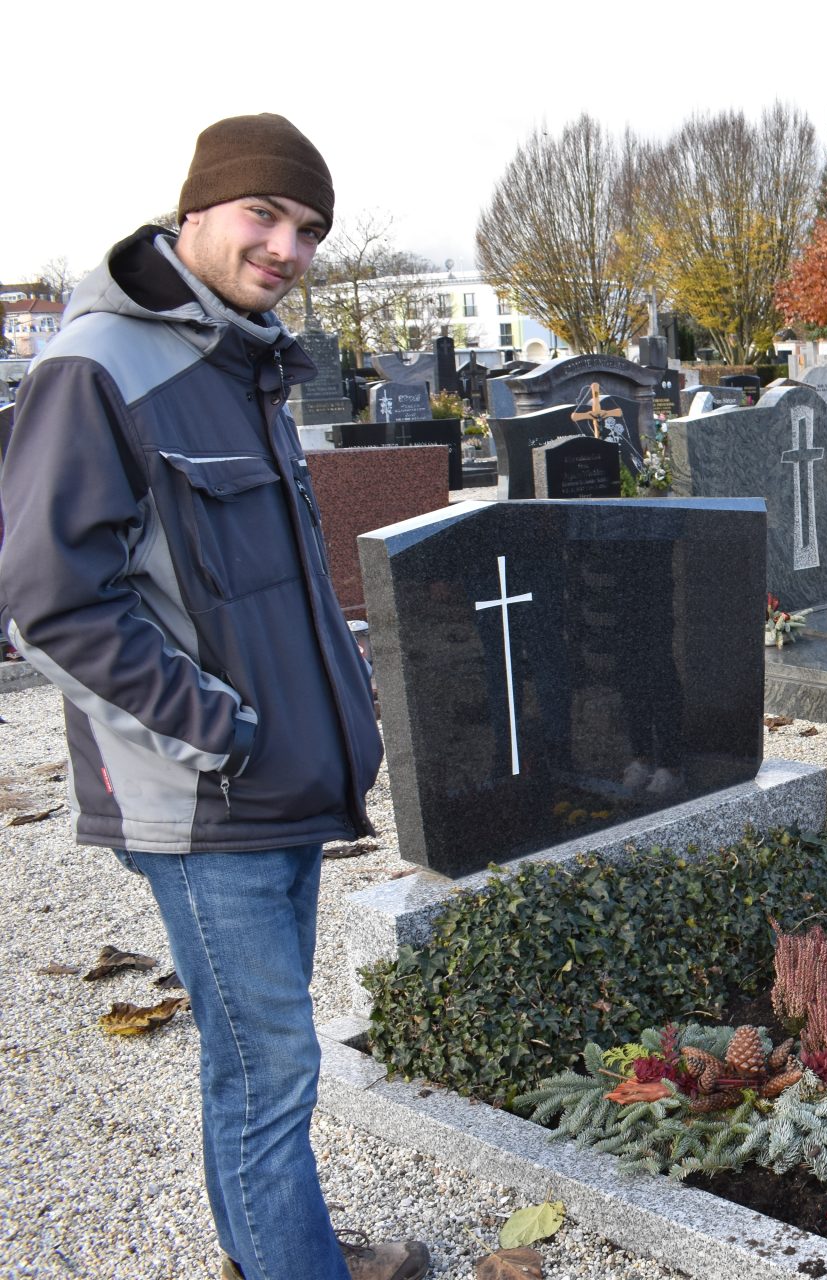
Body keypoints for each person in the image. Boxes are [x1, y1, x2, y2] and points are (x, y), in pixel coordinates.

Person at [0, 115, 427, 1280]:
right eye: (263, 215)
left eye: (308, 229)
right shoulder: (101, 363)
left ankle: (272, 1253)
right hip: (210, 800)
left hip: (280, 783)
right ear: (194, 210)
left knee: (256, 1061)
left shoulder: (242, 359)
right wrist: (219, 730)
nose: (286, 246)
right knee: (270, 1067)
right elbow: (51, 603)